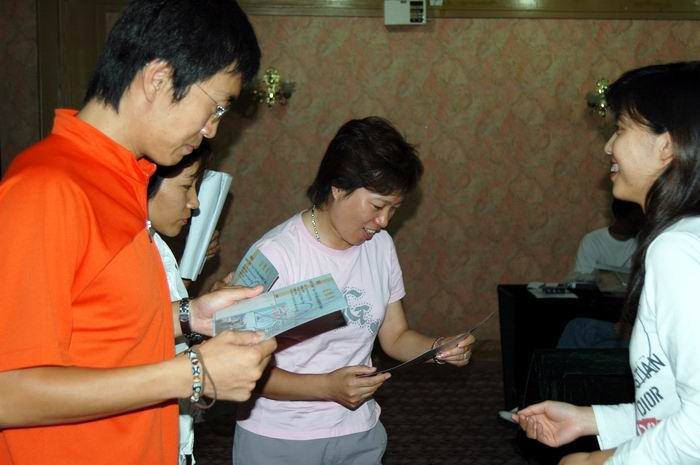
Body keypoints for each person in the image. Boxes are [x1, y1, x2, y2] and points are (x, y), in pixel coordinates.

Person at [0, 2, 276, 465]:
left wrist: (190, 316)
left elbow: (95, 327)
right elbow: (9, 392)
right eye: (214, 108)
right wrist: (192, 373)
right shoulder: (47, 189)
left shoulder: (122, 179)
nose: (211, 130)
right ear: (159, 79)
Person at [231, 116, 476, 465]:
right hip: (280, 437)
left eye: (394, 209)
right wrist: (326, 387)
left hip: (358, 431)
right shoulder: (276, 255)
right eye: (377, 206)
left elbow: (395, 337)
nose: (384, 221)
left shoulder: (380, 246)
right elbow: (238, 368)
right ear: (338, 187)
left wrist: (437, 348)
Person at [515, 62, 700, 465]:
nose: (608, 146)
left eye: (620, 129)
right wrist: (591, 419)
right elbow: (673, 409)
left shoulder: (677, 250)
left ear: (666, 146)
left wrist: (597, 463)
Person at [557, 199, 644, 349]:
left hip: (629, 315)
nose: (638, 225)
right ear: (619, 217)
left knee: (583, 331)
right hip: (598, 309)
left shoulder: (643, 244)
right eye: (634, 221)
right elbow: (583, 280)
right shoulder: (593, 241)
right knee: (582, 330)